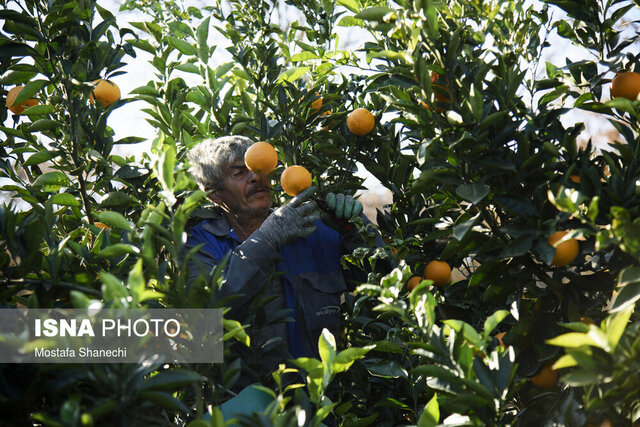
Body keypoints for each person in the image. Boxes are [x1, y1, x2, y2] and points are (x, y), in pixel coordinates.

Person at [186, 135, 384, 386]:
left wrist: (355, 230)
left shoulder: (313, 228)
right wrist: (267, 240)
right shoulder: (200, 243)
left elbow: (384, 285)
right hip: (243, 405)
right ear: (214, 195)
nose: (255, 178)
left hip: (319, 399)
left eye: (257, 169)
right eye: (239, 173)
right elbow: (201, 318)